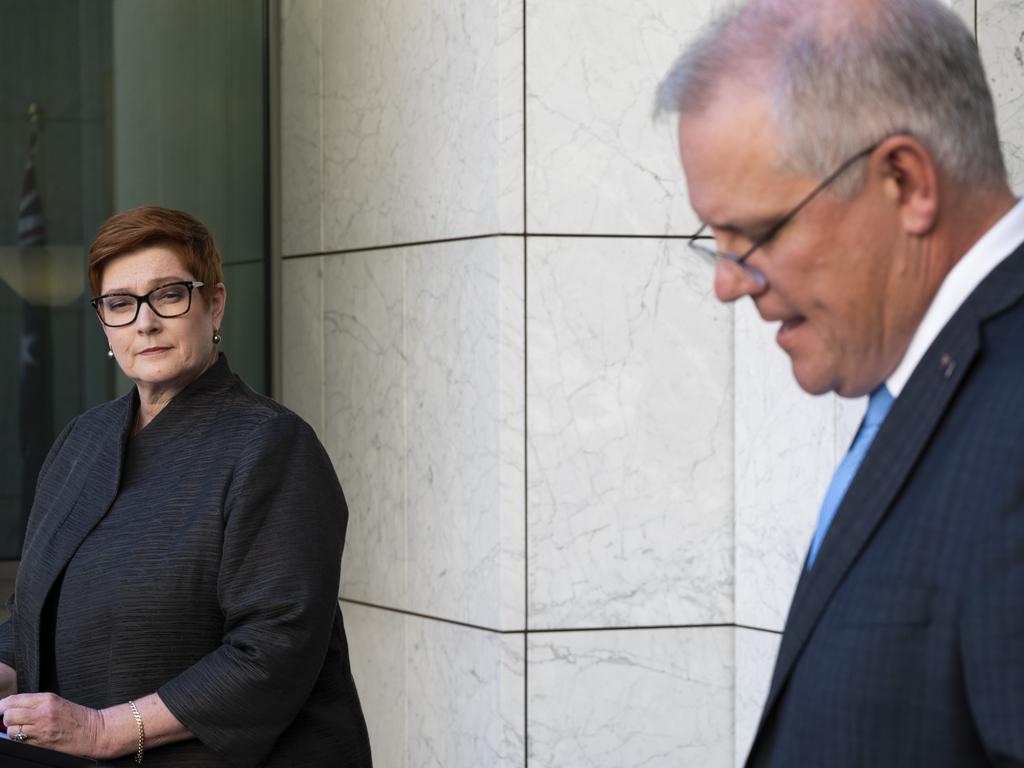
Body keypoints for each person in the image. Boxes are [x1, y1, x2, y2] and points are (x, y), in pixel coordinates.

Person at [658, 0, 1024, 765]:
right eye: (713, 242)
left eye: (754, 235)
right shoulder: (926, 379)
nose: (728, 285)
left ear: (905, 181)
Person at [0, 206, 372, 766]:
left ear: (214, 304)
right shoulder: (82, 439)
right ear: (104, 324)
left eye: (168, 295)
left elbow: (272, 652)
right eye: (120, 304)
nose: (144, 322)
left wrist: (104, 731)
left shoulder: (272, 446)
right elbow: (36, 605)